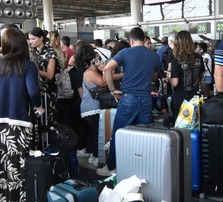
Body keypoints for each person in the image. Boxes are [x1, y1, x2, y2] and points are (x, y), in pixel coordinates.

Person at [0, 27, 43, 202]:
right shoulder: (28, 66)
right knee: (20, 163)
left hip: (0, 122)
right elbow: (33, 91)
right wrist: (38, 106)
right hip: (21, 121)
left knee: (2, 162)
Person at [100, 27, 160, 176]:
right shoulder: (154, 56)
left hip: (128, 99)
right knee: (143, 137)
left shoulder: (125, 52)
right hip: (146, 100)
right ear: (145, 39)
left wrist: (112, 89)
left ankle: (111, 168)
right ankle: (140, 169)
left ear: (131, 40)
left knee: (119, 135)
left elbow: (106, 69)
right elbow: (154, 78)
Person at [78, 43, 106, 168]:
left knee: (92, 133)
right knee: (97, 133)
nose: (98, 59)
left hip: (88, 107)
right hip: (92, 108)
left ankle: (91, 155)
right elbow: (103, 83)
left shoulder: (89, 71)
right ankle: (96, 157)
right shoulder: (90, 72)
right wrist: (104, 69)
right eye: (97, 57)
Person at [169, 31, 204, 114]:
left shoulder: (176, 60)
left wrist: (169, 77)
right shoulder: (199, 57)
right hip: (195, 98)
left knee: (180, 125)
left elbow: (175, 83)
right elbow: (201, 75)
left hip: (180, 99)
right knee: (195, 124)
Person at [28, 27, 58, 125]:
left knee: (48, 120)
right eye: (30, 39)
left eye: (33, 39)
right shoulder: (32, 52)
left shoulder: (50, 52)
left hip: (48, 92)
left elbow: (50, 75)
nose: (31, 42)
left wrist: (35, 71)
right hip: (36, 90)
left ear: (41, 38)